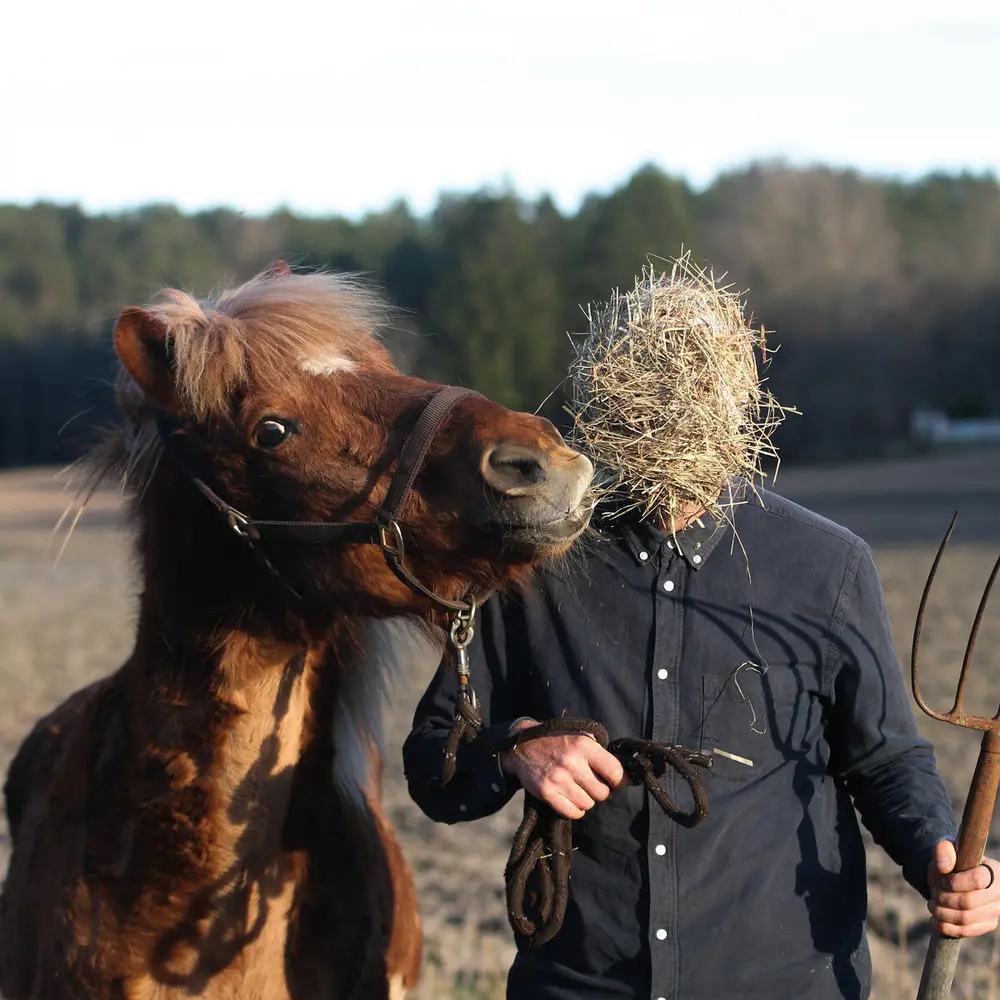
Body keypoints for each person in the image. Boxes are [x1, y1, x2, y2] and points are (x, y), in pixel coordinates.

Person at [402, 263, 1000, 1000]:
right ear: (610, 391)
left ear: (738, 401)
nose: (667, 399)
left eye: (686, 387)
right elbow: (435, 765)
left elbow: (885, 761)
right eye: (648, 385)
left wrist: (940, 856)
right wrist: (518, 744)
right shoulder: (533, 569)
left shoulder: (826, 567)